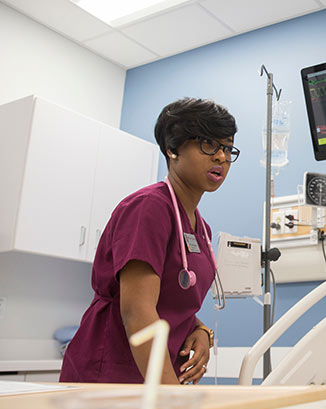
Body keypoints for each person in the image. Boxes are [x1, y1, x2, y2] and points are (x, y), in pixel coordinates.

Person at [60, 98, 239, 385]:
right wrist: (171, 399)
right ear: (172, 149)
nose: (220, 156)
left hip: (154, 377)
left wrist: (202, 330)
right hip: (111, 375)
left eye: (227, 147)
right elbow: (137, 311)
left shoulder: (199, 227)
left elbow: (170, 302)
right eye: (208, 143)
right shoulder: (148, 208)